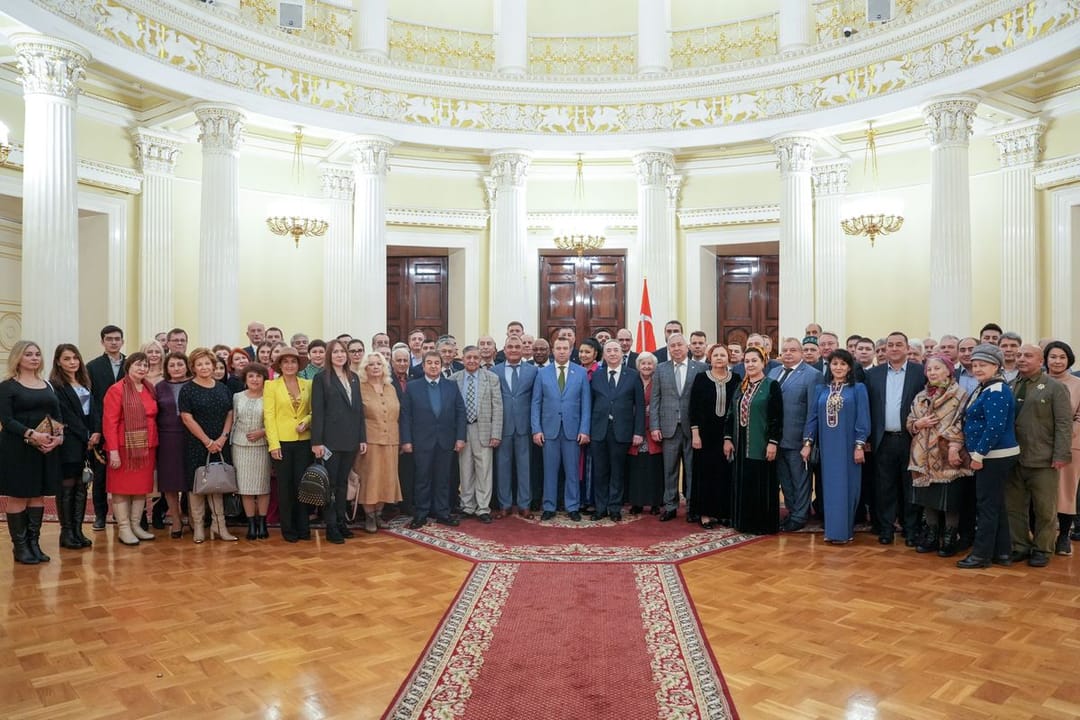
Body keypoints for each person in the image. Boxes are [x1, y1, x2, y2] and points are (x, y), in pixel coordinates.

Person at [1007, 344, 1072, 567]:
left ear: (1040, 360)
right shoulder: (1011, 385)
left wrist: (1061, 454)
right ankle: (1020, 546)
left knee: (1044, 508)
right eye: (1018, 355)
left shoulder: (1055, 387)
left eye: (1028, 355)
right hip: (1014, 457)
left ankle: (1043, 548)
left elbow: (1064, 423)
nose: (1022, 359)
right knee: (1014, 507)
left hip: (1043, 458)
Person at [957, 344, 1019, 569]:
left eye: (983, 365)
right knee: (996, 504)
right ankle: (1002, 552)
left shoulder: (996, 390)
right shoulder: (985, 387)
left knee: (987, 506)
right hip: (992, 455)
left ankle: (981, 555)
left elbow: (995, 427)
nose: (977, 368)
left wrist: (979, 455)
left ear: (996, 366)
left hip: (994, 455)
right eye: (974, 365)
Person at [1, 341, 64, 563]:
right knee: (19, 495)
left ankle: (33, 544)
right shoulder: (7, 386)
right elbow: (6, 420)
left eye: (37, 354)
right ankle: (20, 547)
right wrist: (31, 434)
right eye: (28, 354)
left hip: (44, 449)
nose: (34, 358)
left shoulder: (46, 384)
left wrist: (58, 438)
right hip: (17, 448)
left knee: (37, 495)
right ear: (18, 358)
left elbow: (57, 414)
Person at [905, 355, 972, 556]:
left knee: (950, 498)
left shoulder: (960, 394)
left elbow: (962, 423)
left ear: (949, 370)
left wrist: (953, 445)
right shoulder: (920, 395)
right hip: (922, 455)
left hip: (947, 453)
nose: (932, 372)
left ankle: (950, 537)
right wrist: (918, 424)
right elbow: (910, 420)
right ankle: (932, 536)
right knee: (928, 497)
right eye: (929, 369)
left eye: (937, 368)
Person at [802, 349, 869, 544]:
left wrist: (859, 445)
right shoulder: (821, 390)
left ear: (849, 368)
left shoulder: (858, 389)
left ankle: (844, 531)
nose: (838, 367)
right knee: (829, 489)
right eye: (834, 364)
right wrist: (807, 443)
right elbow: (812, 418)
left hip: (849, 448)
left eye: (843, 364)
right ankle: (831, 531)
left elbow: (863, 419)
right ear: (829, 367)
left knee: (848, 488)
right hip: (828, 448)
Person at [865, 331, 925, 545]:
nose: (894, 348)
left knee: (910, 486)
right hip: (883, 440)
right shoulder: (874, 374)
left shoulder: (920, 373)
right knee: (885, 487)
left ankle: (911, 531)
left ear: (907, 348)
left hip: (911, 439)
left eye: (899, 344)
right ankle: (886, 529)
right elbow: (868, 408)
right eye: (890, 344)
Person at [401, 351, 466, 528]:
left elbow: (460, 413)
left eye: (436, 363)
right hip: (421, 441)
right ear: (423, 366)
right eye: (429, 363)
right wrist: (406, 440)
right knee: (422, 479)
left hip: (446, 441)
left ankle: (443, 512)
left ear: (441, 365)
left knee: (443, 479)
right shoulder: (413, 387)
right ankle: (421, 513)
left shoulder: (451, 386)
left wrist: (461, 437)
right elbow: (406, 416)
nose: (433, 366)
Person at [179, 348, 237, 543]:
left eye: (207, 363)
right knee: (198, 485)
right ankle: (198, 527)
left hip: (221, 443)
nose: (204, 367)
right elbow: (186, 418)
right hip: (197, 443)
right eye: (199, 364)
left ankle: (219, 525)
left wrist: (222, 438)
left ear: (213, 365)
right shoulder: (187, 389)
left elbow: (230, 413)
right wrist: (207, 441)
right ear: (193, 367)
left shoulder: (222, 388)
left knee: (218, 483)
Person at [311, 339, 367, 540]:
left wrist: (362, 437)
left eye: (342, 352)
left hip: (351, 440)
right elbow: (317, 412)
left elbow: (358, 410)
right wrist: (316, 442)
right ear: (329, 355)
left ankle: (342, 522)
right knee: (331, 485)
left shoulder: (354, 378)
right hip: (329, 442)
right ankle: (331, 526)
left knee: (343, 483)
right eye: (335, 352)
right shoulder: (321, 378)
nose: (340, 355)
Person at [724, 346, 783, 535]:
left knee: (760, 483)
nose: (750, 364)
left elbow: (777, 417)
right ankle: (743, 522)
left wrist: (773, 442)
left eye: (754, 361)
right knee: (743, 482)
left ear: (763, 362)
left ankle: (761, 524)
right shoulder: (741, 386)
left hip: (761, 444)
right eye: (747, 361)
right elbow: (730, 414)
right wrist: (728, 439)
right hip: (740, 444)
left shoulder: (771, 385)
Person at [531, 338, 591, 521]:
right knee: (550, 470)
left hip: (573, 431)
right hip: (549, 431)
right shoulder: (542, 373)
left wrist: (584, 429)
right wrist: (536, 429)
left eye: (565, 348)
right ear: (552, 350)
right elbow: (536, 403)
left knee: (572, 470)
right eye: (558, 348)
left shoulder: (580, 372)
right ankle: (549, 506)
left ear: (571, 350)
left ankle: (572, 506)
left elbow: (586, 405)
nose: (562, 351)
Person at [102, 352, 159, 546]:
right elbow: (109, 422)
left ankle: (136, 525)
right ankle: (124, 527)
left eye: (145, 365)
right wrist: (113, 451)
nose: (142, 368)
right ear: (128, 366)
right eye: (138, 365)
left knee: (141, 488)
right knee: (121, 488)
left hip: (146, 446)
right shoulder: (116, 390)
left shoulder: (149, 388)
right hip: (123, 447)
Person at [650, 333, 707, 521]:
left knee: (692, 469)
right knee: (670, 469)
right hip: (668, 428)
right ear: (668, 348)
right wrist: (654, 426)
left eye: (679, 345)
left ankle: (692, 507)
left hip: (693, 429)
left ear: (687, 347)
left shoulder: (700, 368)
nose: (676, 348)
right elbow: (655, 399)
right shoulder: (660, 369)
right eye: (672, 345)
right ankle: (670, 506)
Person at [769, 337, 824, 532]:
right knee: (785, 479)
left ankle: (800, 516)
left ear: (801, 353)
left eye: (793, 350)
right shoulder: (774, 372)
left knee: (800, 479)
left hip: (798, 438)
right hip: (776, 439)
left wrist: (808, 441)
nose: (788, 353)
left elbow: (812, 410)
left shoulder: (812, 375)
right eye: (785, 350)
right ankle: (792, 512)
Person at [50, 344, 100, 550]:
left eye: (75, 358)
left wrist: (96, 431)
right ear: (58, 362)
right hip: (70, 441)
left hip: (87, 442)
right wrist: (86, 434)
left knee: (82, 485)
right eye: (67, 358)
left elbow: (94, 410)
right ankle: (67, 532)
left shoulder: (84, 382)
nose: (72, 362)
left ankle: (78, 530)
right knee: (67, 487)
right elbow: (66, 415)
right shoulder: (56, 385)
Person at [588, 340, 645, 522]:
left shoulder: (633, 375)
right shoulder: (596, 375)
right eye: (609, 351)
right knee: (600, 471)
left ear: (622, 354)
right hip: (598, 431)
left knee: (617, 471)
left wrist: (638, 432)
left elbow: (640, 405)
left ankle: (614, 507)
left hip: (622, 430)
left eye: (616, 350)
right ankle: (600, 507)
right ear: (603, 355)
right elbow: (590, 404)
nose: (612, 353)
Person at [263, 347, 313, 543]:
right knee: (285, 487)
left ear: (298, 365)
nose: (290, 365)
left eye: (293, 362)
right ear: (280, 366)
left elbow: (315, 410)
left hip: (303, 441)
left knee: (302, 486)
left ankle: (303, 527)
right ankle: (288, 529)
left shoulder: (308, 384)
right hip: (281, 442)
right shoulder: (271, 386)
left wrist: (307, 421)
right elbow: (269, 416)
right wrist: (273, 444)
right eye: (286, 362)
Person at [689, 344, 740, 528]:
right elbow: (693, 408)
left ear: (728, 358)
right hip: (704, 435)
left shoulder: (736, 379)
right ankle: (705, 513)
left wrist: (731, 436)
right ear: (710, 358)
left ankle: (724, 512)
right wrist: (695, 434)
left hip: (727, 434)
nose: (719, 358)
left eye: (723, 355)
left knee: (725, 473)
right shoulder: (701, 378)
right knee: (705, 473)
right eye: (716, 355)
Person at [451, 346, 502, 523]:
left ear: (480, 359)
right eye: (468, 357)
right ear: (462, 360)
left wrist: (496, 433)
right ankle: (467, 506)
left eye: (475, 357)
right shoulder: (453, 379)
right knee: (465, 470)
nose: (472, 360)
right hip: (462, 430)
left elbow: (498, 407)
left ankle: (482, 508)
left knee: (484, 470)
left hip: (484, 430)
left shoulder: (491, 378)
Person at [354, 352, 401, 532]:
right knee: (369, 478)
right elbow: (356, 416)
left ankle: (379, 513)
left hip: (391, 439)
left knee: (386, 478)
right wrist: (360, 438)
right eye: (371, 364)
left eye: (378, 364)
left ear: (384, 367)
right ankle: (369, 516)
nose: (375, 367)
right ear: (365, 368)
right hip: (369, 440)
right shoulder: (360, 387)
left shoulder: (391, 387)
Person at [86, 324, 125, 531]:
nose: (113, 342)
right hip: (101, 427)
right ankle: (100, 515)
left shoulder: (132, 364)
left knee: (124, 473)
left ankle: (122, 516)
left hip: (127, 428)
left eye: (117, 338)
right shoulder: (92, 366)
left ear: (122, 341)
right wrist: (95, 428)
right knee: (100, 475)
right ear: (102, 342)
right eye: (109, 339)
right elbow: (90, 401)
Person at [493, 335, 537, 518]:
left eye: (516, 346)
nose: (513, 350)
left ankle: (524, 504)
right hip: (502, 427)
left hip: (524, 426)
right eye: (509, 346)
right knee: (502, 467)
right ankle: (504, 504)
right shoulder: (495, 371)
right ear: (504, 349)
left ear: (523, 349)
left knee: (525, 467)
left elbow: (537, 400)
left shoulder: (533, 371)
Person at [1044, 340, 1080, 555]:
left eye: (1062, 357)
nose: (1057, 361)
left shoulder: (1077, 384)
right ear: (1045, 359)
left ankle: (1064, 537)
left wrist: (1067, 434)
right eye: (1053, 356)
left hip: (1070, 446)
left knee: (1066, 492)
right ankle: (1043, 537)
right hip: (1039, 445)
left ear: (1069, 360)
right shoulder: (1036, 381)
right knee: (1040, 493)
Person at [231, 363, 272, 540]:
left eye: (259, 376)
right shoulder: (237, 397)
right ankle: (251, 524)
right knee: (245, 488)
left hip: (262, 446)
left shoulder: (270, 396)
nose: (255, 379)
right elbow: (233, 422)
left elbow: (275, 420)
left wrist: (263, 432)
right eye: (251, 376)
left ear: (264, 379)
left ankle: (262, 522)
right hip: (240, 447)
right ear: (245, 379)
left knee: (262, 487)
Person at [156, 351, 191, 538]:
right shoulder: (160, 387)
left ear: (186, 365)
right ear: (166, 368)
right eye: (172, 365)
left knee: (191, 479)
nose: (176, 368)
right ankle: (176, 519)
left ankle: (193, 517)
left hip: (191, 436)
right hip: (167, 437)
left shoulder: (194, 384)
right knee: (170, 482)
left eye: (180, 364)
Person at [628, 352, 665, 515]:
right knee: (636, 468)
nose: (646, 366)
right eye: (643, 363)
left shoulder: (659, 380)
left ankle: (655, 502)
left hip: (654, 430)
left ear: (654, 366)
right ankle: (637, 502)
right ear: (638, 365)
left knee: (654, 467)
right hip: (635, 429)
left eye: (650, 364)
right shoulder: (632, 380)